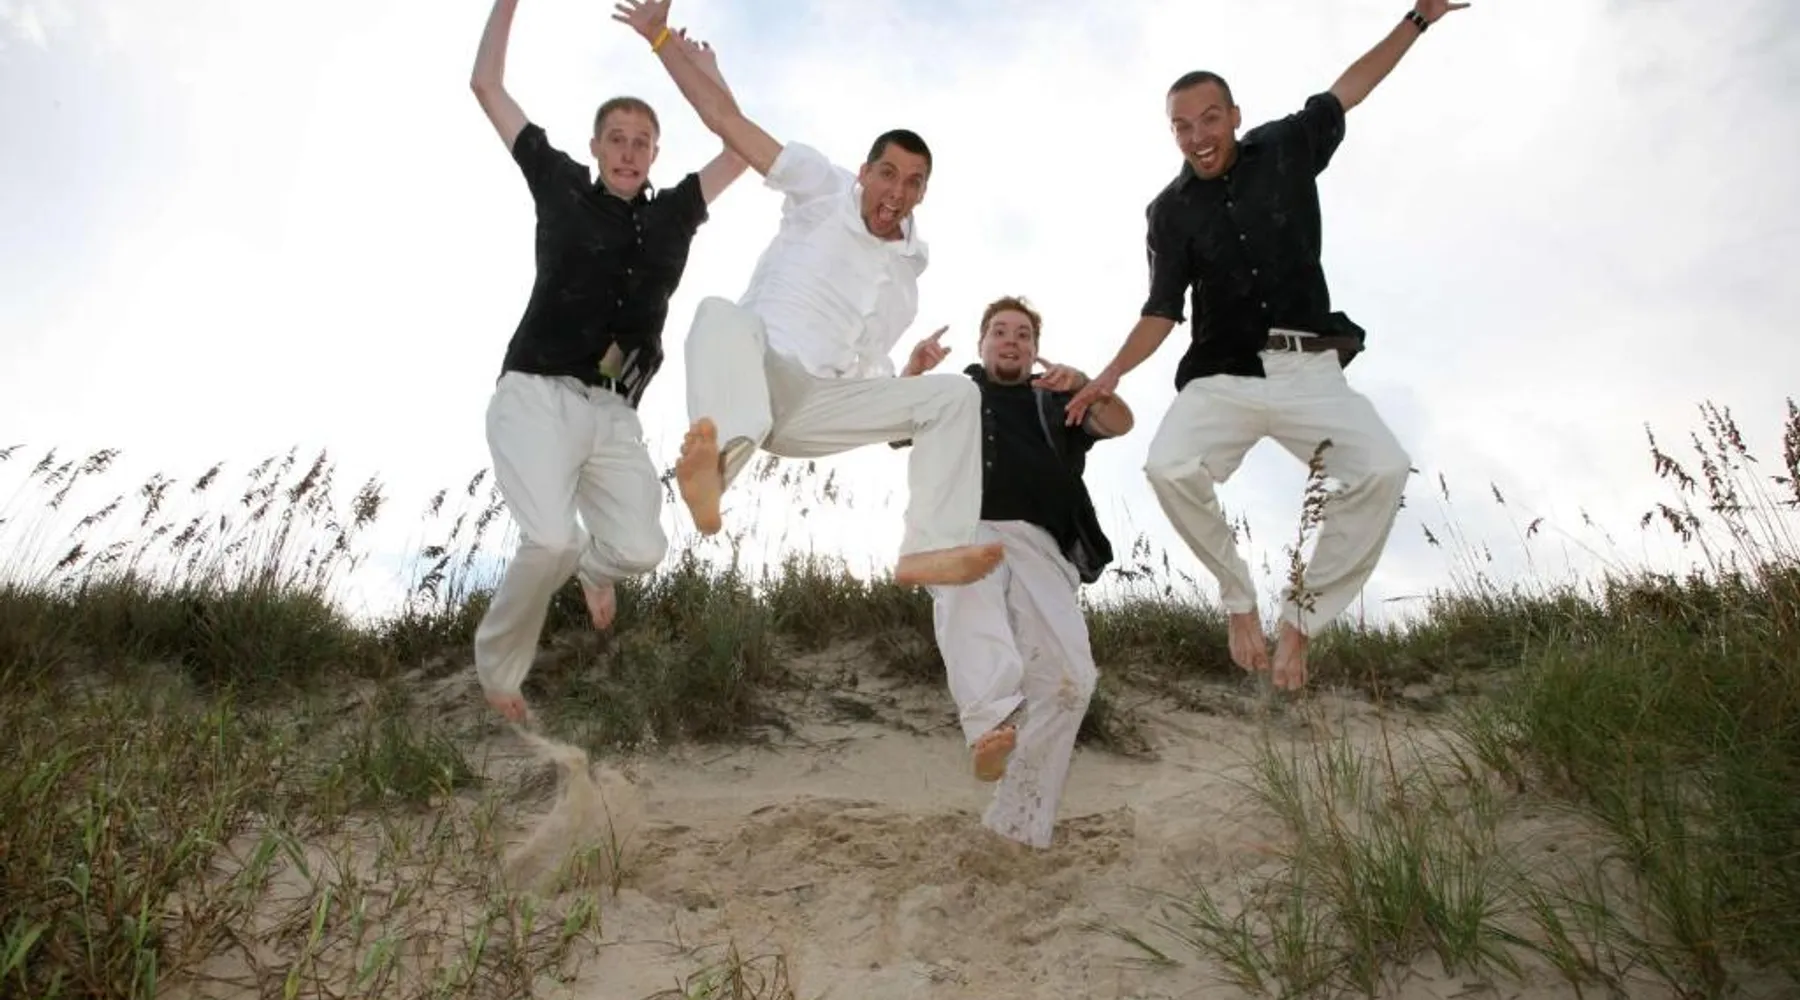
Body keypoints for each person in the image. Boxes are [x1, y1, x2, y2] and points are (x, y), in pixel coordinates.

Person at [1067, 2, 1469, 692]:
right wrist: (1111, 373)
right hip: (1223, 375)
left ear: (1234, 115)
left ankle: (1301, 622)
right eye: (1182, 126)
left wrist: (1418, 19)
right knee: (1168, 467)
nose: (1198, 136)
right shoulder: (1169, 211)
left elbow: (1350, 88)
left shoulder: (1284, 148)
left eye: (1209, 119)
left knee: (1383, 467)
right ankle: (1238, 600)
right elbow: (1162, 310)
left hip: (1308, 367)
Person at [610, 0, 1004, 589]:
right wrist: (661, 39)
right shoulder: (821, 187)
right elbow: (727, 122)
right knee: (719, 315)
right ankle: (713, 476)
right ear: (864, 172)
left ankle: (929, 548)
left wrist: (911, 378)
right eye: (888, 174)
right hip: (761, 371)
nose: (897, 192)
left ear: (924, 193)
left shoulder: (905, 285)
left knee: (957, 395)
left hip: (821, 407)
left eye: (913, 183)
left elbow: (878, 393)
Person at [468, 0, 749, 724]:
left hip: (615, 413)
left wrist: (705, 71)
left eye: (642, 142)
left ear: (655, 154)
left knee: (642, 548)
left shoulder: (674, 214)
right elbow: (487, 87)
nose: (628, 151)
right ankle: (499, 670)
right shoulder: (561, 185)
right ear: (595, 146)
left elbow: (742, 149)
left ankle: (597, 571)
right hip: (537, 393)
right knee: (549, 539)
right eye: (616, 139)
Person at [901, 296, 1134, 849]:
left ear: (1034, 350)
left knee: (1071, 682)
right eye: (1001, 331)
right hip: (964, 528)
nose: (1012, 340)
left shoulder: (1057, 398)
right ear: (982, 344)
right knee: (968, 598)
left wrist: (1087, 383)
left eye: (1023, 334)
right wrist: (912, 372)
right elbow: (892, 425)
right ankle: (989, 722)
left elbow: (1120, 423)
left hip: (1042, 545)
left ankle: (1017, 824)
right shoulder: (952, 392)